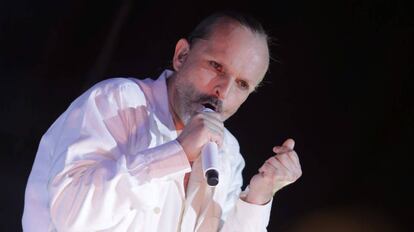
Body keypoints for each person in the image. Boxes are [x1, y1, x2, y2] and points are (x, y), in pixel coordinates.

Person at [22, 11, 302, 232]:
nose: (223, 91)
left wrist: (259, 196)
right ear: (181, 56)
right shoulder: (117, 102)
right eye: (216, 66)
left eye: (241, 84)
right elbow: (72, 218)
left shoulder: (227, 153)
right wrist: (177, 153)